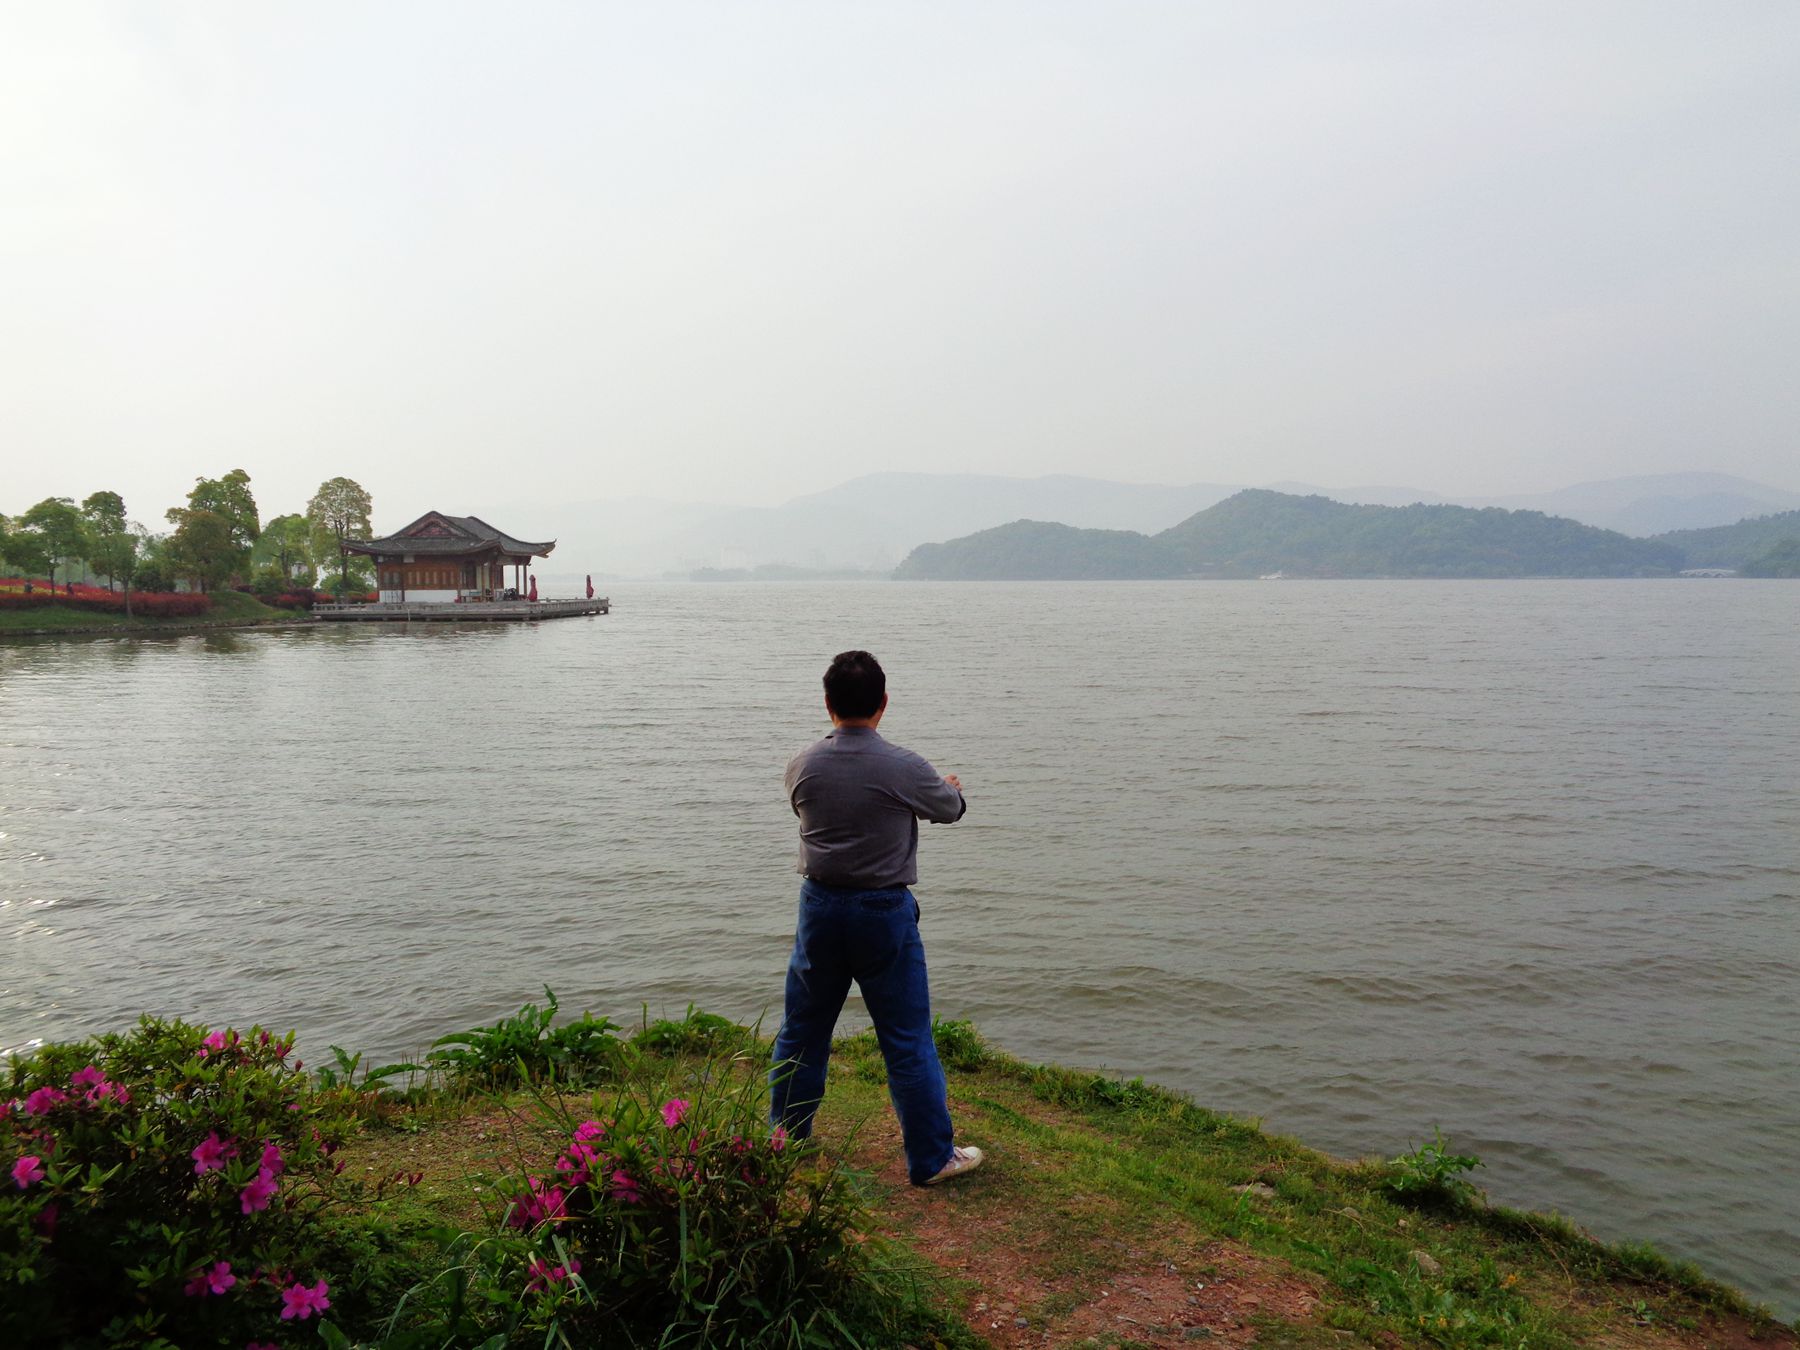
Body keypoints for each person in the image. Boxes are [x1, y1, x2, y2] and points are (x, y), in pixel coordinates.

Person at [770, 650, 984, 1186]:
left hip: (818, 908)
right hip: (883, 913)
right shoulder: (905, 766)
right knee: (906, 1036)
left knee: (803, 1029)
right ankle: (931, 1158)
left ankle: (784, 1139)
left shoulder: (803, 763)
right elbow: (950, 810)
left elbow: (806, 809)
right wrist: (950, 787)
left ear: (828, 703)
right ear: (883, 704)